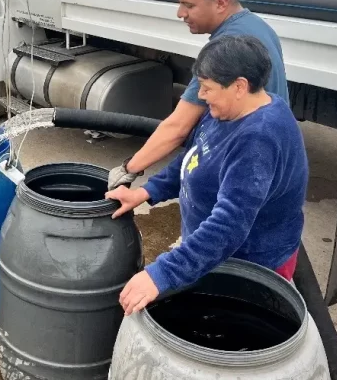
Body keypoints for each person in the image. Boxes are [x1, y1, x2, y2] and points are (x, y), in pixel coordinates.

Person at [104, 35, 308, 316]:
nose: (200, 95)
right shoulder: (226, 111)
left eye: (207, 88)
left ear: (239, 86)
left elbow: (229, 225)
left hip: (248, 265)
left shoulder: (257, 140)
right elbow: (195, 158)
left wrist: (161, 273)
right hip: (209, 254)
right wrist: (144, 192)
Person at [107, 0, 289, 192]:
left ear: (221, 3)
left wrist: (128, 169)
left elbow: (178, 127)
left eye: (188, 5)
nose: (180, 13)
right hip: (267, 159)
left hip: (240, 170)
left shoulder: (226, 49)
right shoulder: (259, 26)